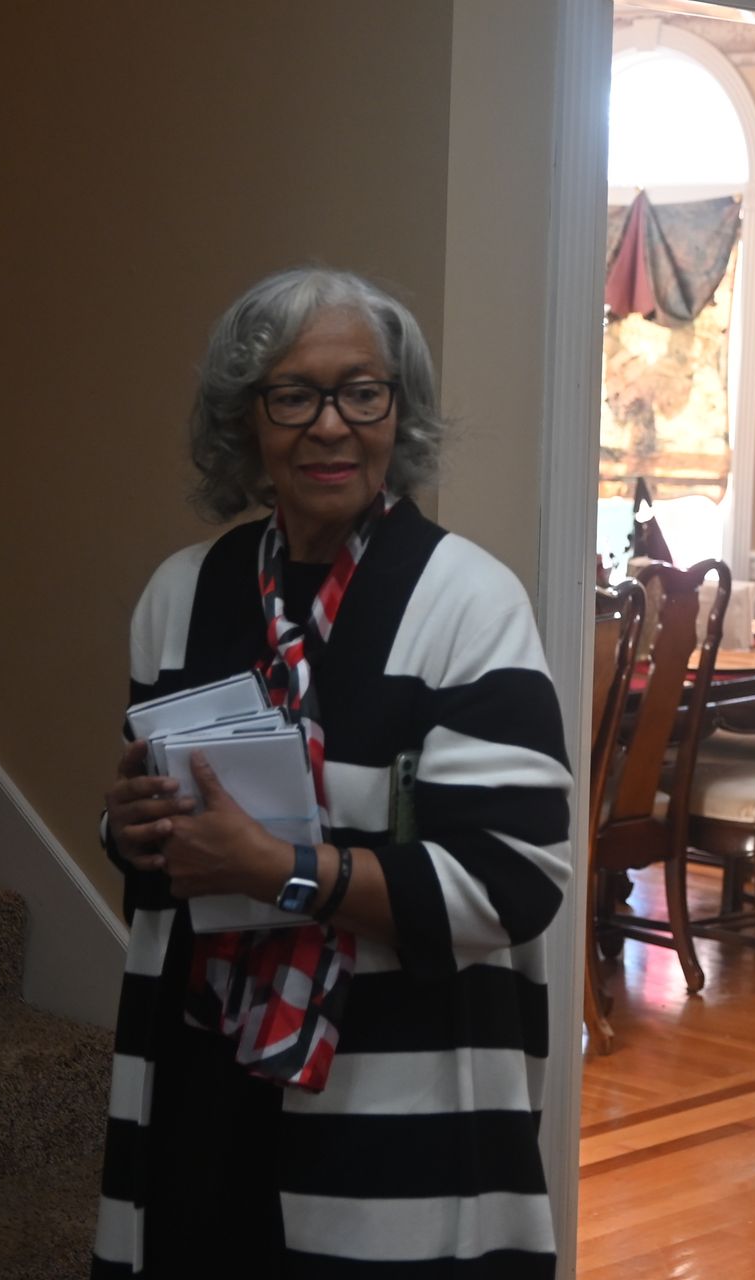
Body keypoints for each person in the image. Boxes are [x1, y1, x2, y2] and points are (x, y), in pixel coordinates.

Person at [93, 267, 571, 1277]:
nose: (330, 425)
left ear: (400, 411)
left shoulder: (469, 603)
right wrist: (129, 829)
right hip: (204, 1081)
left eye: (362, 392)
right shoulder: (181, 595)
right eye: (294, 395)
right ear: (246, 418)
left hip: (398, 1098)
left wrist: (281, 870)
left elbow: (514, 880)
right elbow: (160, 843)